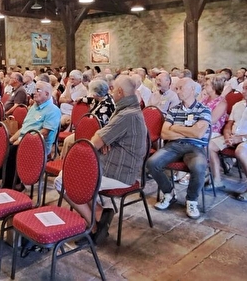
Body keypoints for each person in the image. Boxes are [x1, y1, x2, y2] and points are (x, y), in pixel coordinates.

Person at [55, 75, 147, 245]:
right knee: (70, 178)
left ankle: (93, 226)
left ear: (120, 91)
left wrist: (103, 140)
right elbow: (101, 136)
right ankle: (99, 213)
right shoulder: (127, 109)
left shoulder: (126, 114)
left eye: (112, 89)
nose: (110, 92)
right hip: (112, 164)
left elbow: (94, 143)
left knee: (63, 181)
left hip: (121, 172)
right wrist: (104, 139)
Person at [147, 77, 211, 220]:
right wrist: (189, 129)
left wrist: (175, 128)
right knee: (152, 163)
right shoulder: (174, 109)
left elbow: (198, 133)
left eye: (181, 88)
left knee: (199, 166)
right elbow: (164, 133)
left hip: (195, 147)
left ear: (192, 90)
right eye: (177, 88)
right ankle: (169, 193)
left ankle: (191, 200)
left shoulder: (204, 109)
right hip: (174, 146)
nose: (177, 91)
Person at [1, 81, 61, 189]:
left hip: (38, 144)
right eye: (34, 90)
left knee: (12, 151)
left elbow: (44, 133)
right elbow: (25, 127)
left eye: (38, 90)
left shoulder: (53, 110)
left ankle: (11, 186)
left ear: (47, 94)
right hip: (24, 139)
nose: (34, 93)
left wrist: (22, 140)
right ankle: (8, 180)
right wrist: (11, 139)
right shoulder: (33, 107)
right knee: (2, 146)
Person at [208, 79, 247, 197]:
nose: (244, 91)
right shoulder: (238, 105)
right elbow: (229, 124)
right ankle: (217, 180)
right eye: (244, 88)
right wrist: (227, 135)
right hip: (233, 135)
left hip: (244, 138)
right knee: (209, 146)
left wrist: (240, 138)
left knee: (240, 151)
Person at [60, 79, 116, 158]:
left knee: (68, 141)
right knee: (68, 140)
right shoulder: (102, 97)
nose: (92, 95)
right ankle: (67, 162)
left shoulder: (106, 105)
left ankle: (66, 164)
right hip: (90, 131)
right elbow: (91, 100)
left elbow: (98, 125)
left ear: (97, 93)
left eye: (93, 93)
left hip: (96, 135)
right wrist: (82, 99)